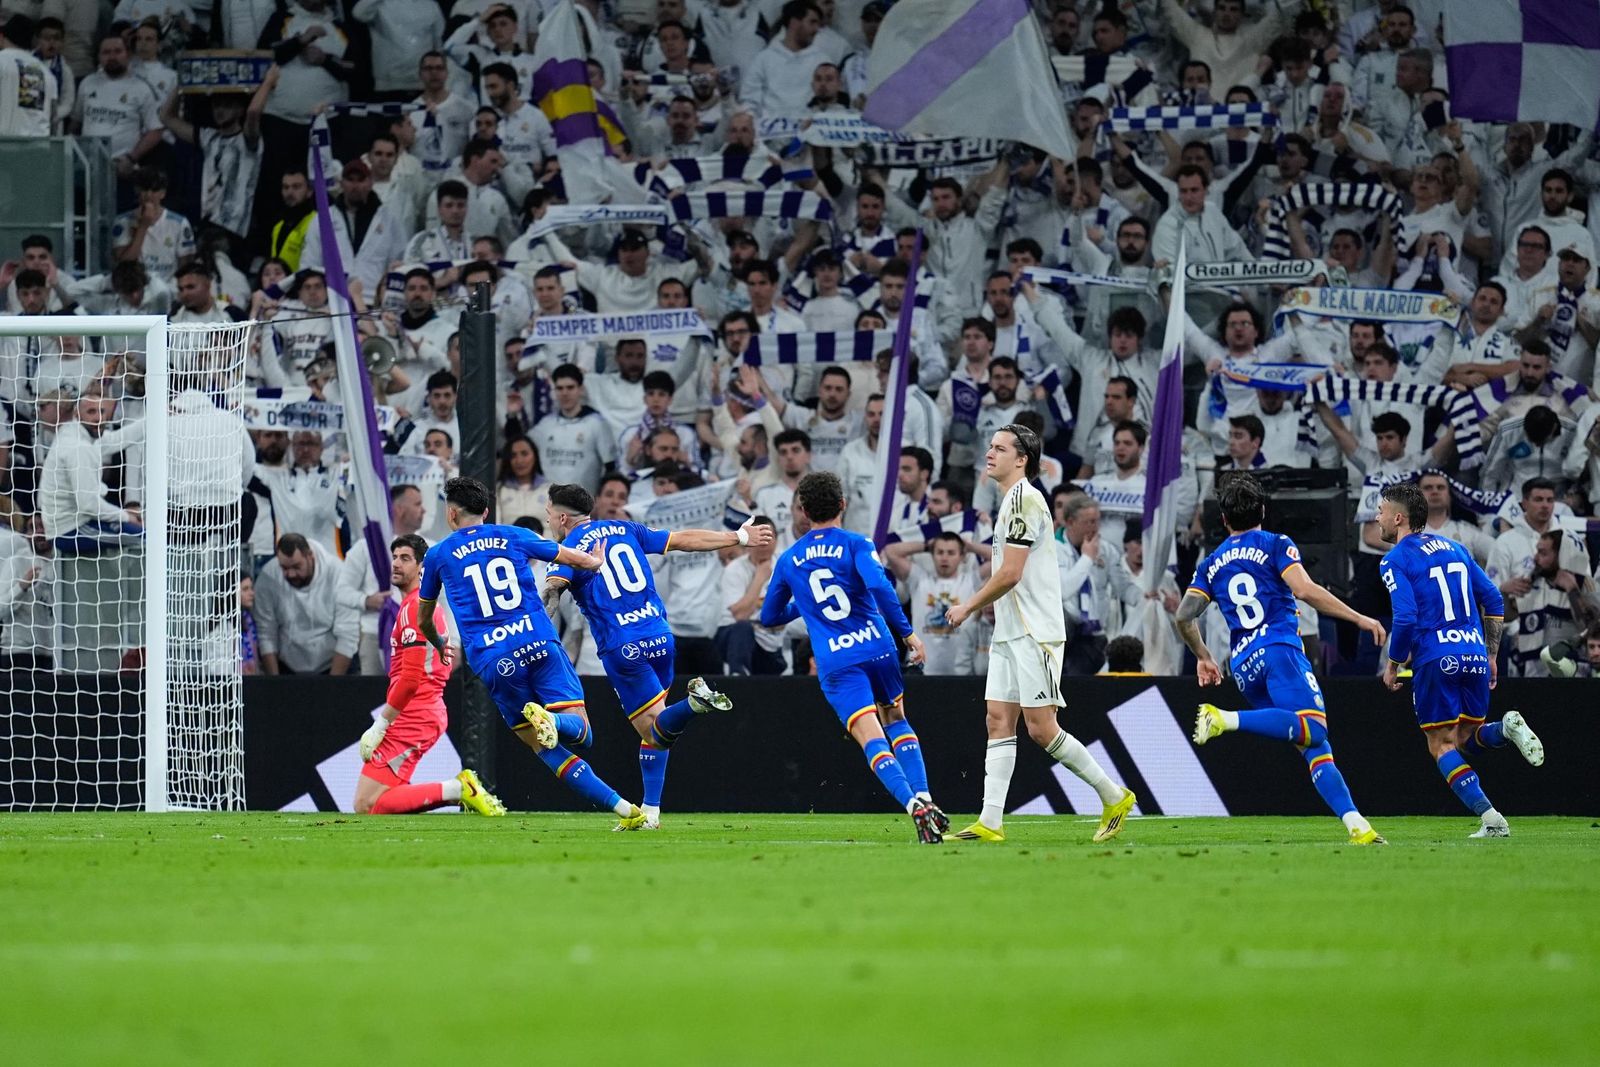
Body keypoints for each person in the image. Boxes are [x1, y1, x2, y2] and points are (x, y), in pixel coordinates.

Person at [416, 476, 647, 830]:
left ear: (451, 515)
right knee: (582, 733)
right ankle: (554, 721)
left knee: (544, 749)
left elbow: (425, 616)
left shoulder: (438, 554)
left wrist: (438, 642)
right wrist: (594, 561)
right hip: (538, 642)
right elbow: (567, 556)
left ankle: (622, 809)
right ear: (487, 511)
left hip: (494, 660)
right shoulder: (513, 535)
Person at [943, 424, 1135, 843]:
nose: (989, 454)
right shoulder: (1010, 500)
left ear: (1022, 459)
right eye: (989, 446)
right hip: (1011, 632)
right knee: (997, 720)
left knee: (1042, 728)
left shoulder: (1025, 500)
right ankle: (990, 822)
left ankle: (1113, 794)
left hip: (1035, 632)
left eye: (999, 448)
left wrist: (967, 606)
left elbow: (1011, 573)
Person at [542, 483, 774, 829]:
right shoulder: (626, 529)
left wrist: (542, 636)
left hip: (623, 646)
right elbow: (682, 540)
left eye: (548, 514)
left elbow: (552, 590)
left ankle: (695, 704)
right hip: (660, 636)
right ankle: (651, 812)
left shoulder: (569, 548)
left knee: (653, 728)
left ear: (561, 517)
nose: (548, 520)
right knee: (655, 729)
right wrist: (738, 538)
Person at [1176, 474, 1388, 845]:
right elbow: (1304, 590)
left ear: (1223, 519)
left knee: (1313, 746)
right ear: (1262, 509)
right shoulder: (1276, 544)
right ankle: (1224, 718)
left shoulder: (1211, 563)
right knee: (1316, 729)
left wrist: (1204, 657)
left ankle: (1357, 825)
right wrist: (1359, 617)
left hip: (1242, 666)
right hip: (1278, 650)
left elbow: (1183, 616)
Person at [759, 471, 945, 843]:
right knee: (896, 718)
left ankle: (913, 805)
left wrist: (804, 604)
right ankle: (925, 797)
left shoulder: (789, 559)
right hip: (878, 648)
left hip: (837, 660)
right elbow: (878, 584)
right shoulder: (857, 543)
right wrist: (908, 634)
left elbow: (769, 617)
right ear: (843, 504)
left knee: (869, 734)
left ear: (803, 510)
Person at [1375, 482, 1546, 838]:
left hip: (1436, 658)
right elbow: (1494, 600)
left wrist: (1393, 664)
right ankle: (1506, 728)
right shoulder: (1456, 549)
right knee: (1467, 738)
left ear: (1398, 517)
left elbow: (1404, 618)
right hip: (1473, 655)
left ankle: (1492, 819)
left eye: (1380, 511)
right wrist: (1492, 654)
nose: (1377, 518)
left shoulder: (1394, 558)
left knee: (1442, 746)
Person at [354, 534, 505, 817]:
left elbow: (410, 678)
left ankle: (459, 790)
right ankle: (456, 793)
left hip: (414, 712)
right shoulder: (419, 607)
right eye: (395, 557)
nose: (396, 564)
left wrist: (381, 724)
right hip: (422, 710)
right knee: (374, 802)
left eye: (405, 558)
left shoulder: (415, 609)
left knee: (367, 804)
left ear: (422, 568)